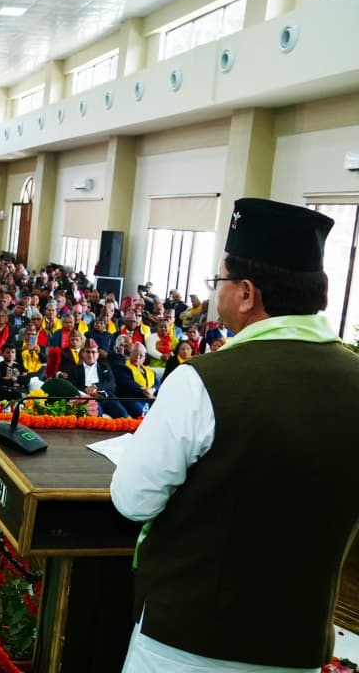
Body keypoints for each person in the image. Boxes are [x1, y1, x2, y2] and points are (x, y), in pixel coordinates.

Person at [112, 198, 359, 672]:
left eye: (219, 281)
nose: (216, 292)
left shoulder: (203, 380)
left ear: (246, 293)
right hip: (298, 646)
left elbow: (134, 500)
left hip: (188, 642)